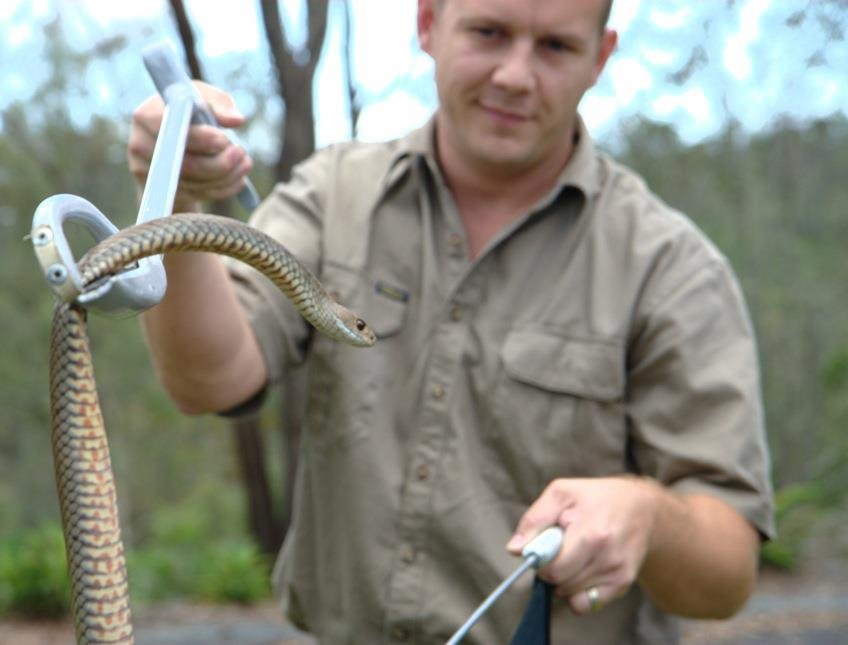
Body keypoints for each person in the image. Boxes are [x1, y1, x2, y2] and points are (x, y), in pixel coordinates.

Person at [127, 0, 775, 642]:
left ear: (600, 58)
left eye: (555, 46)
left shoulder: (670, 266)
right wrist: (172, 194)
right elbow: (208, 380)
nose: (516, 76)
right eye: (489, 33)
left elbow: (728, 574)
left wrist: (649, 514)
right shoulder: (334, 196)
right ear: (428, 24)